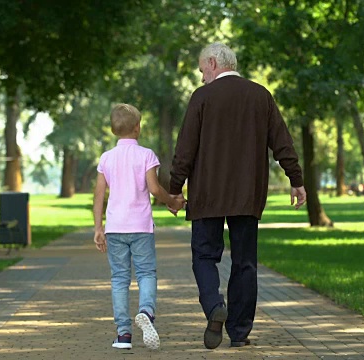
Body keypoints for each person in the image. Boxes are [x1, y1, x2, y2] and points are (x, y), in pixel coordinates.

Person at [169, 43, 307, 349]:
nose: (201, 75)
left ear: (214, 63)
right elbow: (282, 142)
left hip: (207, 195)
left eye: (202, 68)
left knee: (205, 256)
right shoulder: (261, 96)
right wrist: (296, 180)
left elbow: (185, 149)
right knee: (245, 262)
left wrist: (175, 189)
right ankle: (239, 332)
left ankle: (214, 306)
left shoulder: (202, 97)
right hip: (248, 194)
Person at [93, 103, 185, 350]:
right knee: (146, 273)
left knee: (119, 278)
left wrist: (98, 228)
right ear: (137, 128)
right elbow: (155, 189)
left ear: (114, 130)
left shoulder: (106, 159)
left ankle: (123, 334)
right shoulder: (146, 155)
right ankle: (146, 310)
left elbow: (99, 195)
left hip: (115, 228)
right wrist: (172, 201)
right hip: (141, 227)